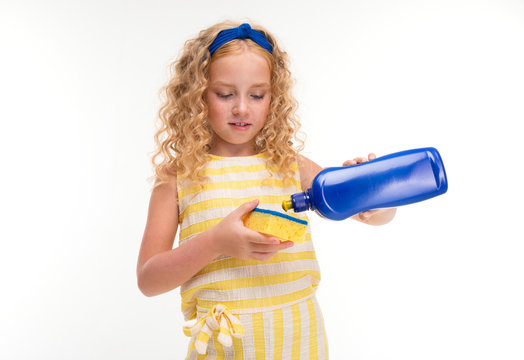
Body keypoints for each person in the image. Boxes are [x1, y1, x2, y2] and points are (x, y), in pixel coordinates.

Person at [136, 21, 396, 360]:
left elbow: (374, 218)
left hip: (301, 339)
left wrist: (374, 196)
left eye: (257, 95)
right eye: (225, 94)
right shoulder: (178, 177)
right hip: (226, 346)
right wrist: (216, 242)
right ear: (198, 94)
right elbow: (148, 279)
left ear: (274, 97)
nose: (242, 108)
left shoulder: (290, 165)